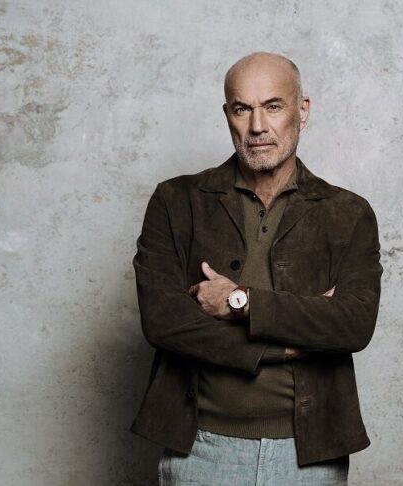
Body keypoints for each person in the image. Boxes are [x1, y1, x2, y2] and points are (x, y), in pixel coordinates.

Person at [131, 52, 382, 485]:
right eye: (242, 109)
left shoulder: (348, 213)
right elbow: (163, 321)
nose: (258, 126)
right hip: (200, 451)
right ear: (227, 114)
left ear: (302, 110)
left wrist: (239, 301)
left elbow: (353, 324)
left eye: (273, 106)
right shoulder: (176, 201)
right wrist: (283, 347)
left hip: (308, 459)